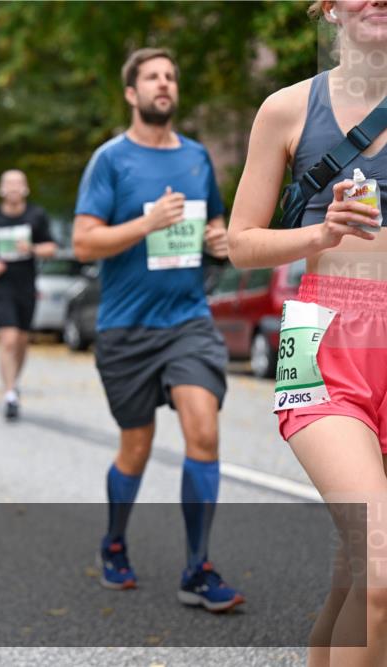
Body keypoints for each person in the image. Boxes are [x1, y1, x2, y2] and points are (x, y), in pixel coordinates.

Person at [227, 2, 386, 662]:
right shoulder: (288, 109)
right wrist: (320, 233)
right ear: (329, 6)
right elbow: (240, 242)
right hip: (321, 339)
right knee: (382, 575)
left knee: (356, 572)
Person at [72, 48, 243, 611]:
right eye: (152, 77)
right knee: (137, 447)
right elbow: (83, 241)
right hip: (126, 327)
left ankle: (198, 568)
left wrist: (218, 238)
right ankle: (113, 542)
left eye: (171, 75)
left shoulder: (196, 158)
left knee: (204, 431)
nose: (164, 84)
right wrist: (148, 222)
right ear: (131, 94)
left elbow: (212, 219)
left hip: (187, 320)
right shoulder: (110, 161)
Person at [0, 170, 57, 421]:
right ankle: (9, 394)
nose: (14, 188)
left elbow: (52, 247)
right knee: (8, 338)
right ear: (1, 189)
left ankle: (13, 381)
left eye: (19, 184)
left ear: (26, 189)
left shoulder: (36, 215)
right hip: (1, 285)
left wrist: (33, 248)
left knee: (21, 340)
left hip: (27, 284)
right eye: (9, 184)